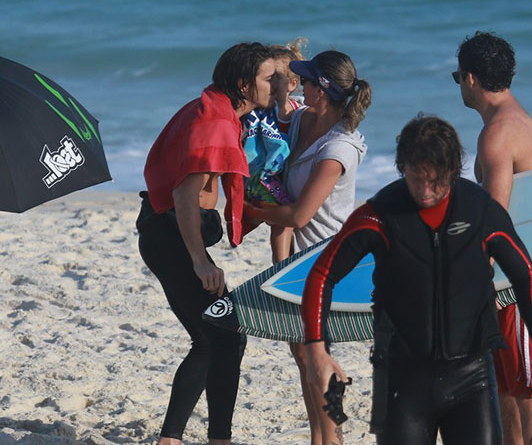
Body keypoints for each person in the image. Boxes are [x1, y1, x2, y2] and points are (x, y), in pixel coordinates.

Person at [302, 115, 532, 445]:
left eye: (435, 181)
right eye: (415, 178)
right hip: (401, 379)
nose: (424, 191)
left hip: (472, 377)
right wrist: (317, 351)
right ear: (403, 168)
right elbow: (322, 275)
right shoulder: (379, 214)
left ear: (452, 172)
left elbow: (525, 276)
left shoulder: (481, 211)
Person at [136, 42, 278, 444]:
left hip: (166, 233)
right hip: (171, 237)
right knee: (225, 334)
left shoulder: (215, 108)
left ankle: (176, 439)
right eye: (270, 78)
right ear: (244, 84)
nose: (278, 83)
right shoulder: (215, 121)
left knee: (212, 337)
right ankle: (215, 439)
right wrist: (200, 261)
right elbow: (184, 194)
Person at [244, 49, 371, 445]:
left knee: (316, 355)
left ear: (321, 90)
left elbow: (299, 215)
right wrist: (279, 80)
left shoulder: (339, 149)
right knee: (302, 355)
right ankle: (322, 437)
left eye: (307, 79)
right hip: (291, 259)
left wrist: (251, 209)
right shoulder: (304, 119)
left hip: (322, 261)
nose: (301, 83)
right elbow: (280, 116)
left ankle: (331, 438)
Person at [454, 31, 532, 445]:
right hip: (526, 271)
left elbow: (493, 220)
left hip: (521, 279)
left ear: (471, 79)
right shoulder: (514, 122)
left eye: (457, 77)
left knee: (522, 383)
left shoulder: (499, 132)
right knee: (507, 380)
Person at [242, 39, 306, 263]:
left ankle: (288, 262)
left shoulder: (299, 112)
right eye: (266, 78)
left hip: (291, 176)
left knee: (290, 221)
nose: (270, 84)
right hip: (266, 177)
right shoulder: (260, 112)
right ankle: (280, 264)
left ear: (292, 84)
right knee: (283, 217)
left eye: (275, 78)